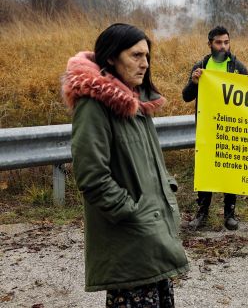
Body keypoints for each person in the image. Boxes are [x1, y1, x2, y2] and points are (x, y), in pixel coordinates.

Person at [62, 23, 189, 307]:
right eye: (135, 55)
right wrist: (133, 213)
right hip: (130, 240)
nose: (144, 64)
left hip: (152, 239)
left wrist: (165, 190)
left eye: (147, 56)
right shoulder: (94, 106)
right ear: (111, 58)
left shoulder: (137, 104)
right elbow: (91, 176)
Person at [182, 25, 248, 230]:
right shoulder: (201, 66)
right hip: (206, 128)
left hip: (230, 128)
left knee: (230, 171)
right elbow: (186, 96)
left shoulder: (237, 68)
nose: (223, 46)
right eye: (218, 42)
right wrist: (194, 82)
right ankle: (201, 214)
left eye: (226, 42)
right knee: (205, 171)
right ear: (210, 44)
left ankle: (230, 214)